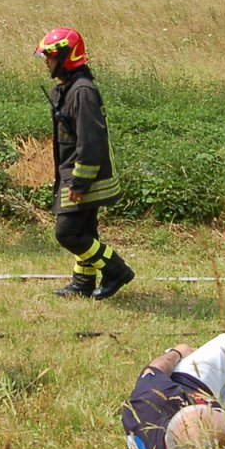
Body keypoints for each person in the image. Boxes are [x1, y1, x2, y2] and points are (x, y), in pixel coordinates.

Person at [35, 27, 133, 299]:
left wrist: (79, 182)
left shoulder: (83, 92)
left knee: (68, 233)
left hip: (82, 177)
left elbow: (91, 142)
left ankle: (117, 269)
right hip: (72, 173)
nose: (47, 62)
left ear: (66, 56)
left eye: (51, 56)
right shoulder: (69, 88)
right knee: (85, 230)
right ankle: (83, 282)